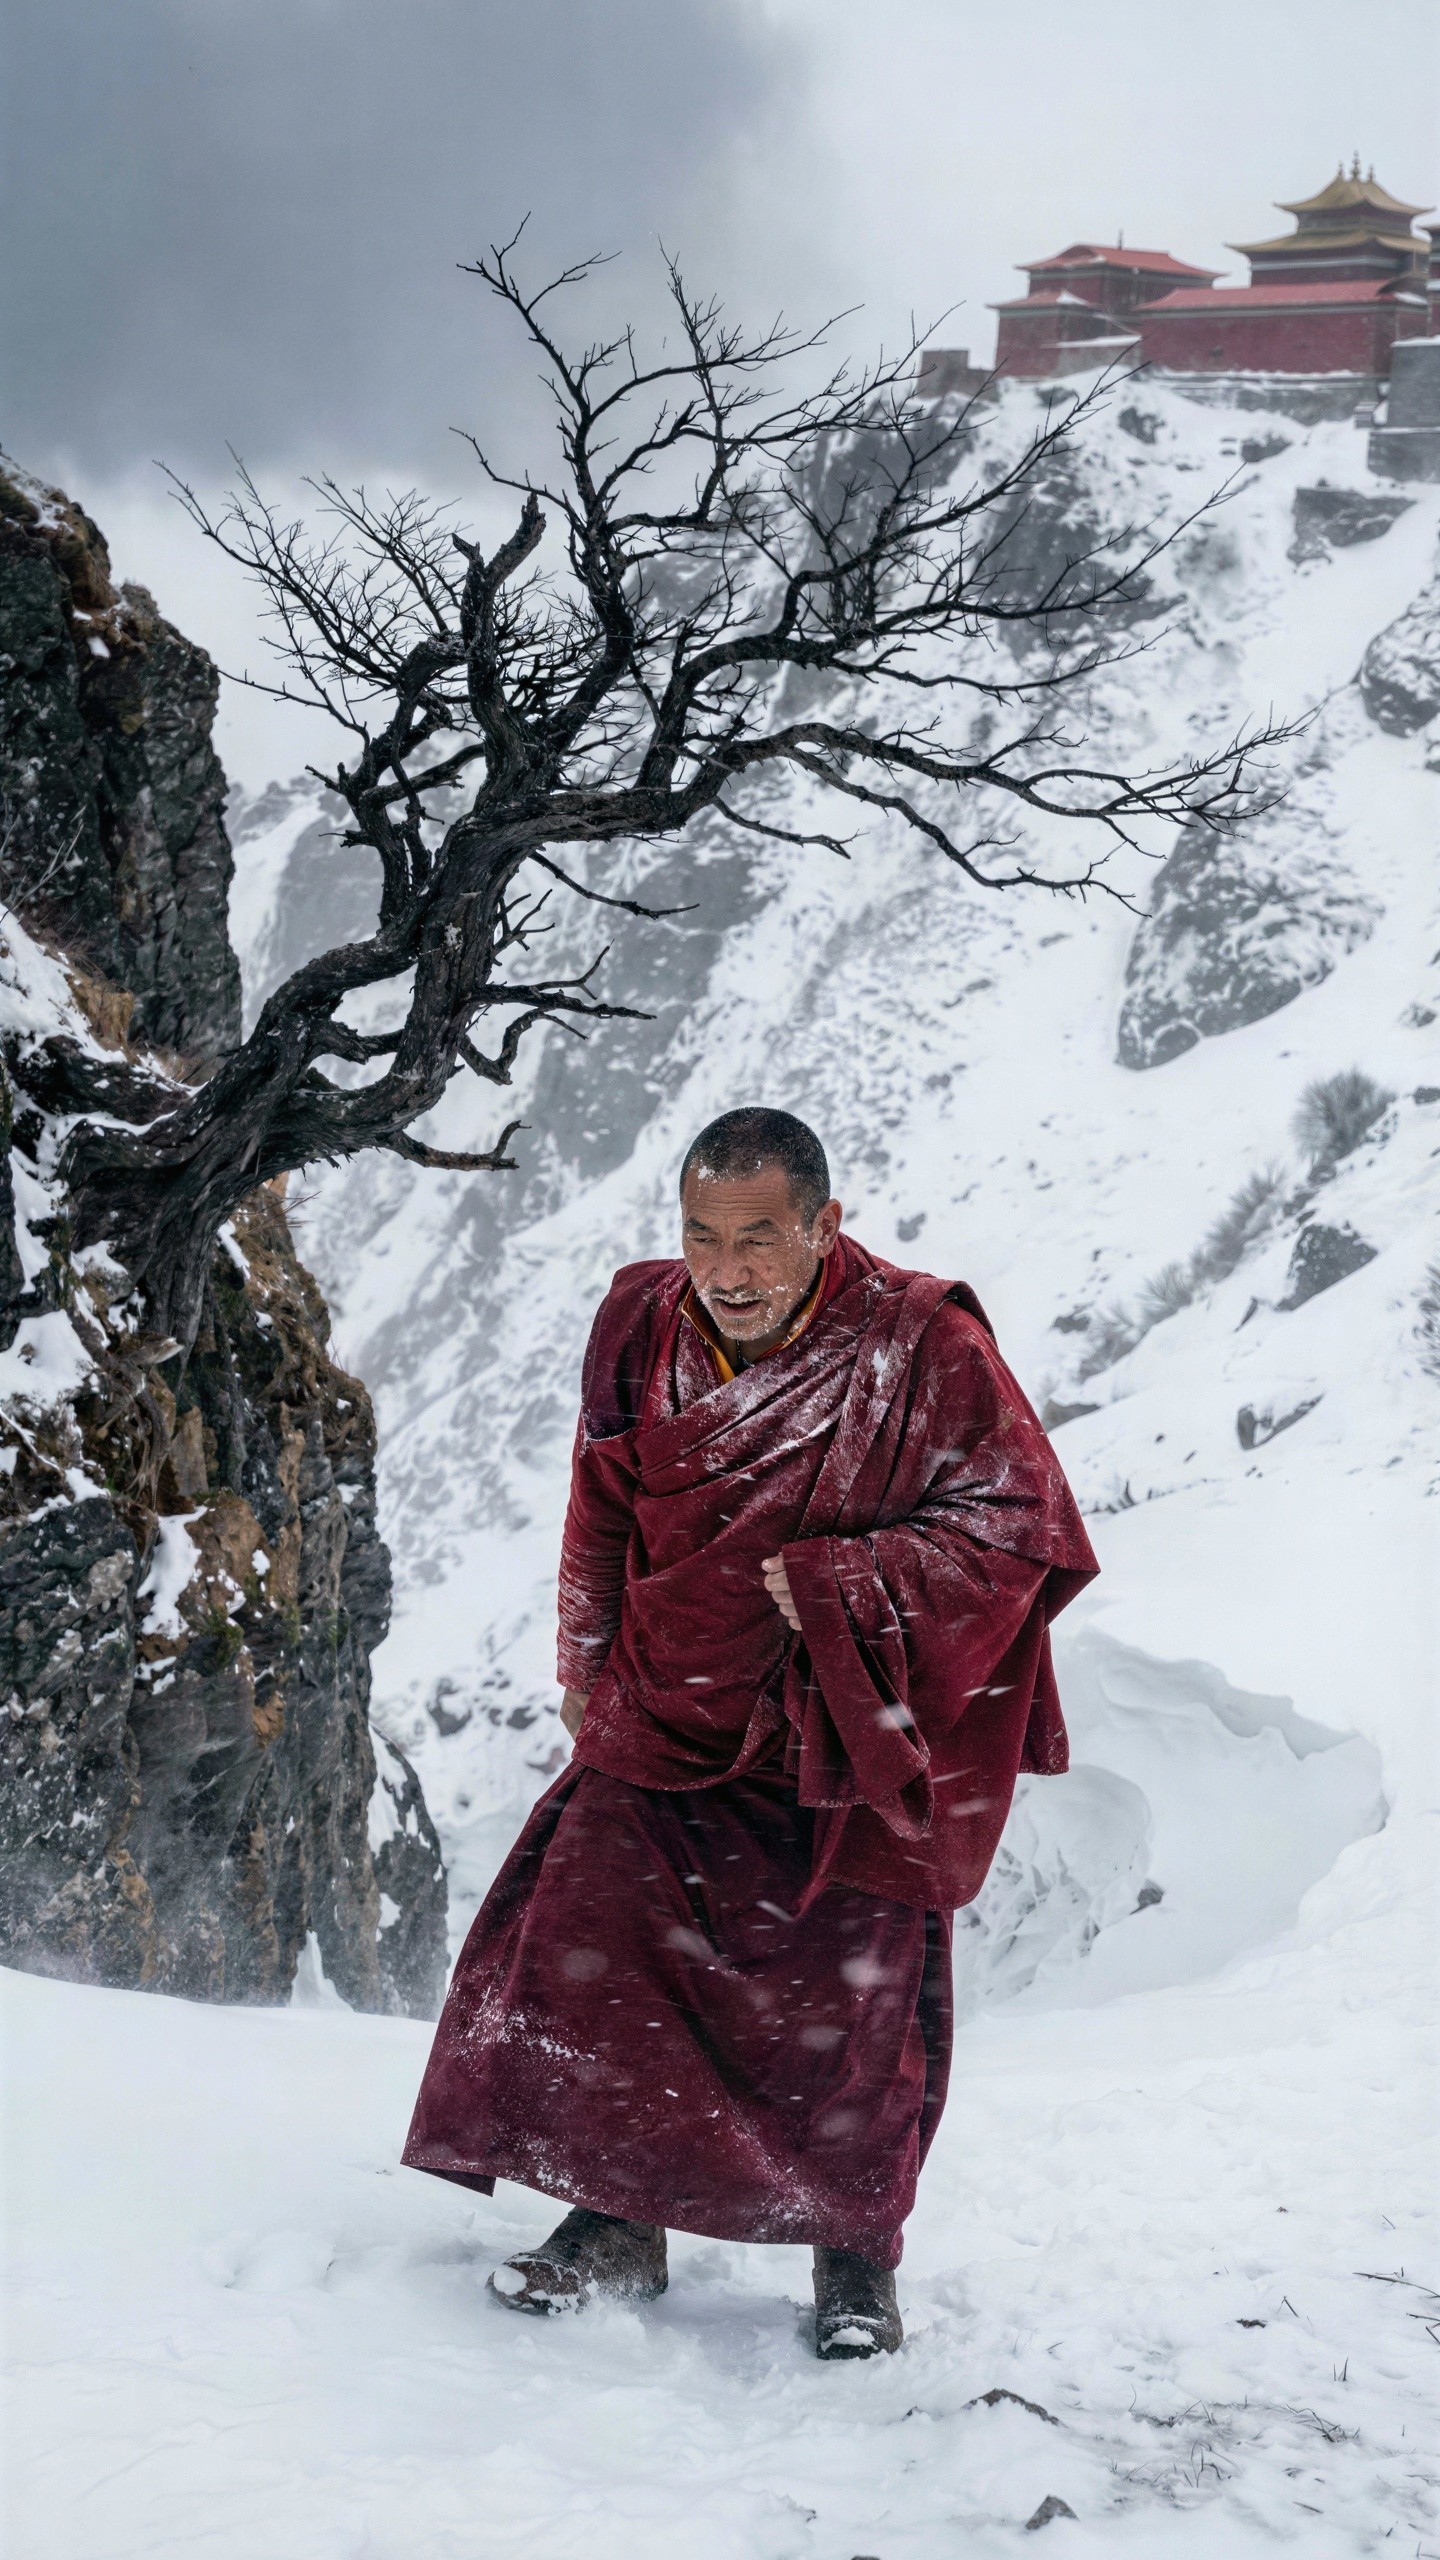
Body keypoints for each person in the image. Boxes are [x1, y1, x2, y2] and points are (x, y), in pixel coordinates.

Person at [403, 1107, 1097, 2357]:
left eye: (759, 1238)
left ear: (824, 1225)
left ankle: (854, 2257)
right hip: (669, 1699)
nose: (726, 1271)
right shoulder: (641, 1323)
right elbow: (602, 1501)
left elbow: (1023, 1526)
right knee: (600, 1954)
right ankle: (616, 2218)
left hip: (847, 1724)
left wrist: (849, 1583)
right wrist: (583, 1662)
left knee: (854, 2006)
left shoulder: (920, 1348)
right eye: (702, 1236)